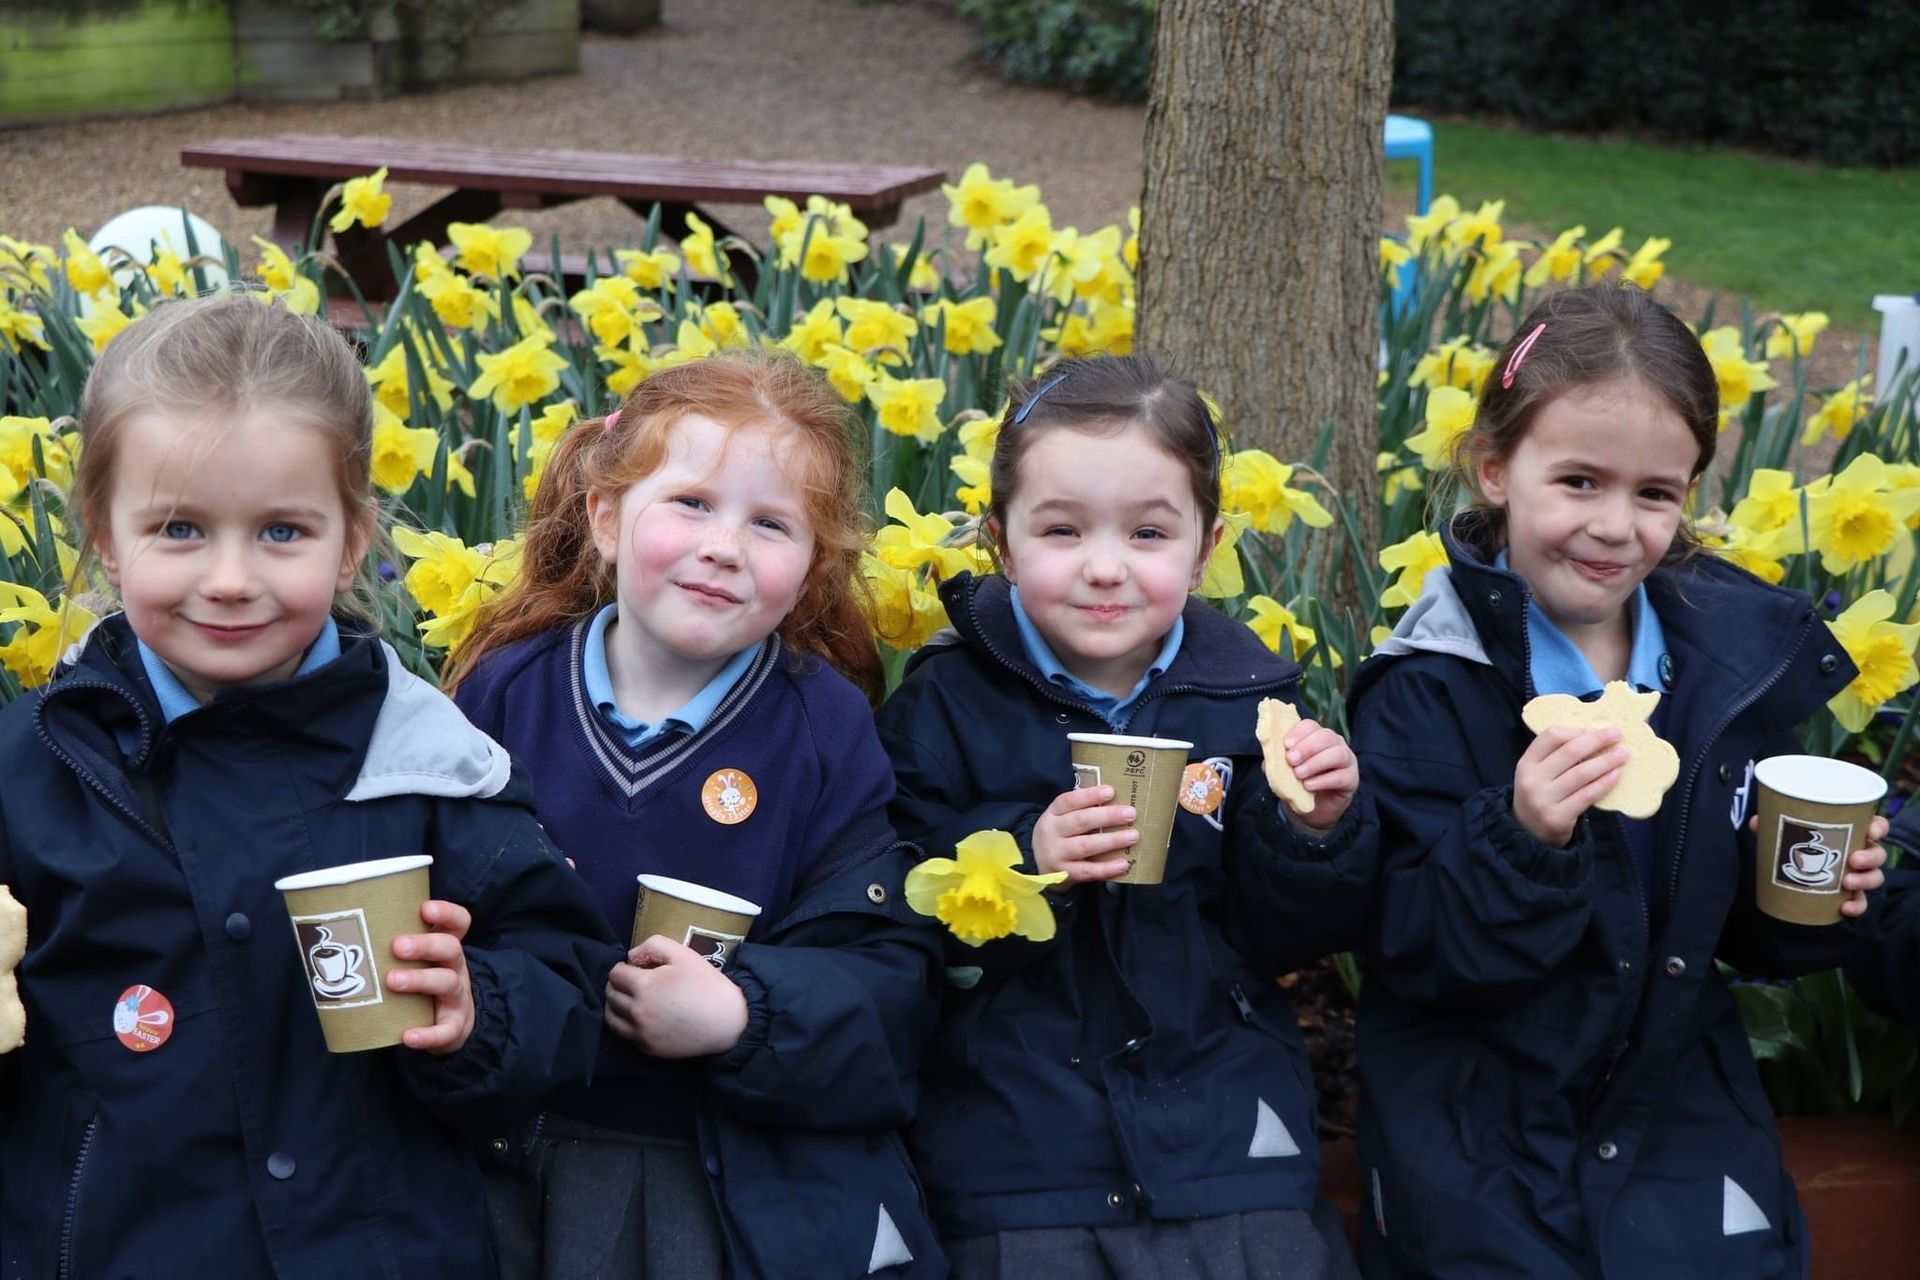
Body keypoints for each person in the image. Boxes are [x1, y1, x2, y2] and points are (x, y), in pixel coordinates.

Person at [0, 293, 615, 1277]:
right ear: (105, 536)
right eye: (180, 529)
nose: (233, 577)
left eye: (283, 531)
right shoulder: (35, 767)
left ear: (355, 537)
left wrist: (478, 1011)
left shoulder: (431, 761)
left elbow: (565, 983)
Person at [1347, 284, 1889, 1278]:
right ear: (1497, 466)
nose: (1614, 525)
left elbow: (1717, 928)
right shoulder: (1429, 687)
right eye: (1580, 480)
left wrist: (1816, 905)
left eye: (1654, 494)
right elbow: (1409, 946)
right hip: (1477, 1138)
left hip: (1675, 1123)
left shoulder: (1713, 674)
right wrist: (1518, 836)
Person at [446, 351, 945, 1279]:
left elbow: (889, 983)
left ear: (812, 566)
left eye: (770, 523)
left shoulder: (824, 728)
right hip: (508, 1156)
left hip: (715, 1175)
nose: (725, 546)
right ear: (605, 516)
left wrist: (741, 1016)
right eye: (691, 504)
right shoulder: (501, 693)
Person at [877, 355, 1376, 1279]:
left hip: (1229, 1141)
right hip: (1016, 1151)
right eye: (1062, 530)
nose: (1105, 568)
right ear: (1001, 540)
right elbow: (895, 900)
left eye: (1149, 533)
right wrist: (1023, 856)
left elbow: (1289, 932)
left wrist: (1319, 828)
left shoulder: (1251, 700)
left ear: (1206, 544)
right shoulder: (942, 703)